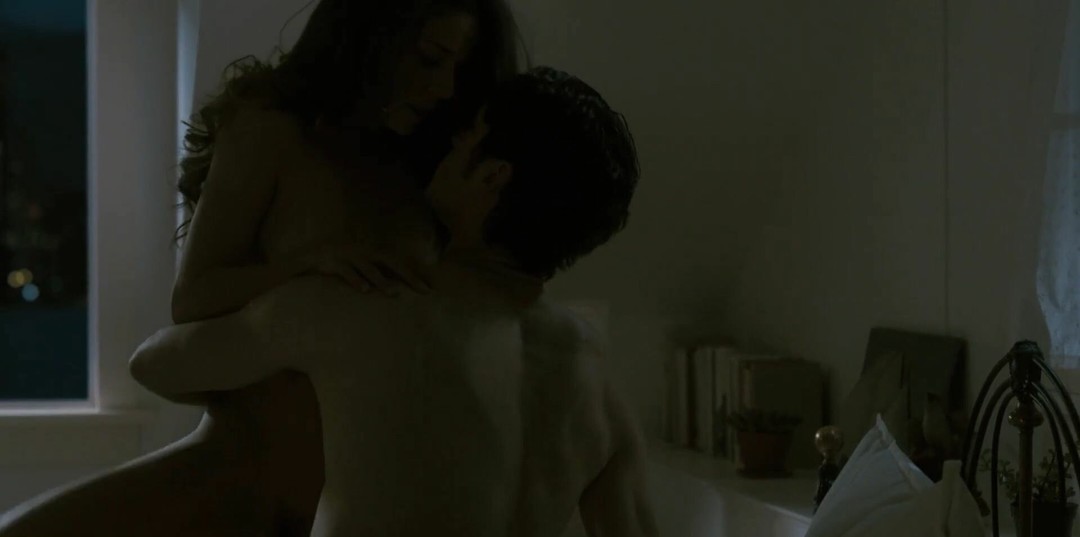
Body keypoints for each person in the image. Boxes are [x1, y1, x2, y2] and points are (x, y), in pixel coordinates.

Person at [0, 1, 521, 536]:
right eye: (430, 59)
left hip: (361, 499)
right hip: (237, 467)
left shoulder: (440, 175)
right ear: (370, 39)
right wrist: (307, 265)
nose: (444, 88)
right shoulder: (272, 132)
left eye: (460, 69)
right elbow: (193, 298)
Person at [130, 67, 659, 537]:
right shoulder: (596, 380)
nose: (449, 144)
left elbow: (155, 366)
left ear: (491, 176)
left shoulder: (362, 304)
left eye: (467, 137)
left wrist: (294, 280)